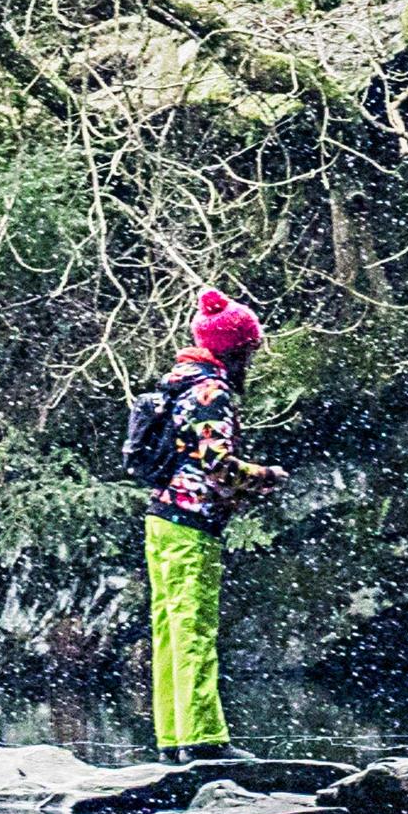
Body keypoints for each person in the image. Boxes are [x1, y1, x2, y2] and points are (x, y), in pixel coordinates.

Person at [131, 288, 281, 757]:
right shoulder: (212, 393)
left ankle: (172, 737)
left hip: (161, 520)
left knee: (168, 630)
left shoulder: (178, 386)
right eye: (249, 351)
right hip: (192, 523)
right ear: (234, 349)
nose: (250, 362)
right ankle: (204, 741)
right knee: (194, 629)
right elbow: (218, 463)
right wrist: (263, 476)